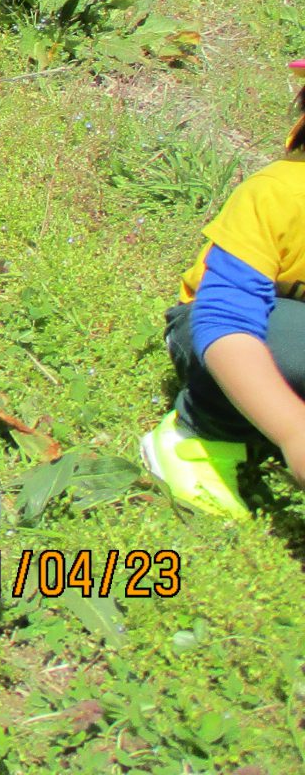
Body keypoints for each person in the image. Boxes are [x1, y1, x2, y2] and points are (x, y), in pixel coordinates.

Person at [138, 57, 305, 520]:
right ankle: (200, 436)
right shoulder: (279, 195)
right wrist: (294, 431)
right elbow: (226, 322)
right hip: (224, 334)